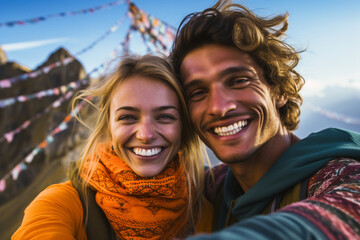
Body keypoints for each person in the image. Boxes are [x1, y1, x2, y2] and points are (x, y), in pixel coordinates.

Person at [170, 0, 360, 239]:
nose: (219, 108)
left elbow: (344, 214)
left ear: (279, 90)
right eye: (197, 93)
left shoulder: (341, 173)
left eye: (238, 81)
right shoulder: (214, 187)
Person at [12, 54, 212, 240]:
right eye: (128, 117)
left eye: (165, 117)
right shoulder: (60, 204)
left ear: (183, 125)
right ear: (108, 123)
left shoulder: (204, 208)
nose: (146, 134)